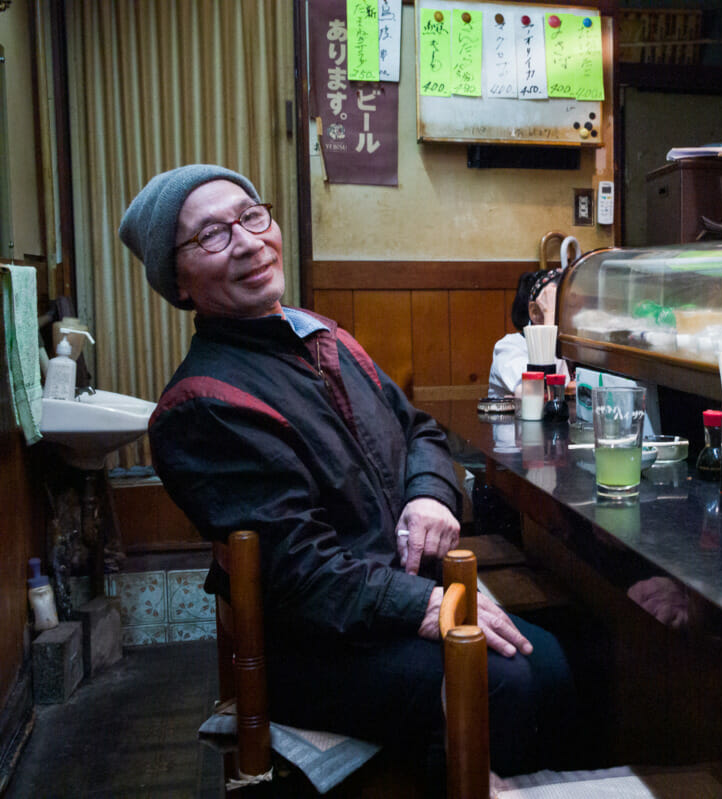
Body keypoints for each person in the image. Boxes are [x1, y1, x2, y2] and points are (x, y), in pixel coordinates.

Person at [118, 164, 575, 776]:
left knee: (562, 656)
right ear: (177, 283)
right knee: (514, 678)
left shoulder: (323, 337)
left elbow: (419, 431)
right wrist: (427, 603)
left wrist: (430, 497)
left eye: (254, 216)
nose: (250, 242)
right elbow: (302, 572)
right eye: (212, 236)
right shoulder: (200, 404)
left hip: (386, 602)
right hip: (320, 646)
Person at [488, 268, 569, 398]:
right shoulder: (508, 347)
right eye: (559, 309)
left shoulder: (567, 348)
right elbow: (539, 391)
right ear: (535, 313)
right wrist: (550, 314)